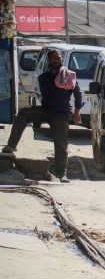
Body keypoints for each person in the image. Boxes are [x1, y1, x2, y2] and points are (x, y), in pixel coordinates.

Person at [2, 50, 82, 182]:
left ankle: (62, 174)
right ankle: (11, 145)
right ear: (49, 61)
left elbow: (78, 94)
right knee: (23, 114)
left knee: (61, 144)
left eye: (59, 58)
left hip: (61, 114)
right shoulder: (43, 78)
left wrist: (77, 112)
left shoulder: (68, 76)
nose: (57, 60)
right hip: (46, 110)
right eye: (54, 58)